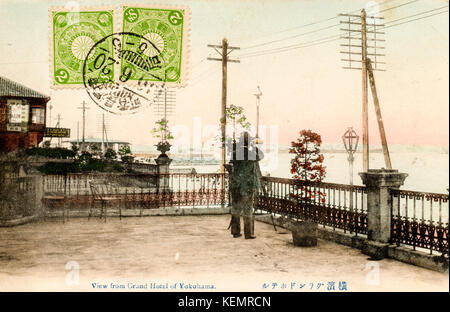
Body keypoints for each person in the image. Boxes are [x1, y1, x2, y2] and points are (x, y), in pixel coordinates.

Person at [229, 131, 263, 239]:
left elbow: (232, 163)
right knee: (248, 209)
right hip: (247, 186)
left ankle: (235, 232)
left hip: (236, 185)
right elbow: (261, 155)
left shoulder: (235, 153)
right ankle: (248, 233)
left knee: (236, 208)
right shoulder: (251, 153)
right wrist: (254, 146)